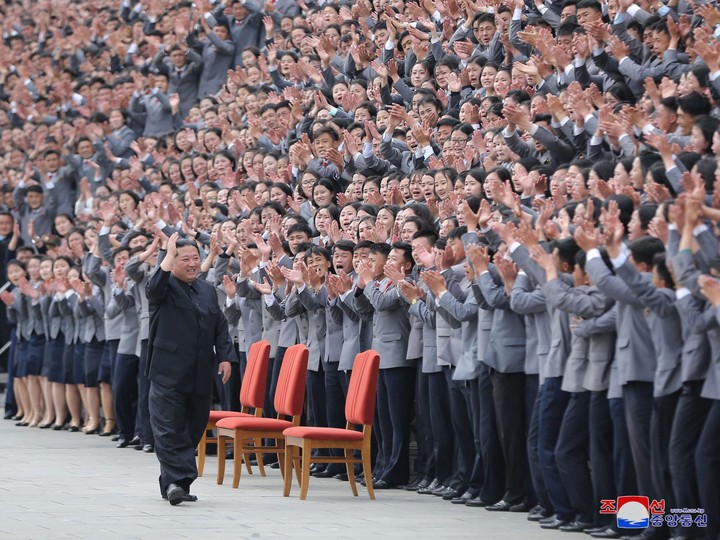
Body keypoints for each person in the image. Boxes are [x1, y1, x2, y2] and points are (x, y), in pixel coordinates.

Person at [145, 233, 234, 505]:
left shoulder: (207, 289)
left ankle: (177, 483)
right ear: (173, 262)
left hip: (199, 374)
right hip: (167, 373)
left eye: (196, 258)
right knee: (168, 428)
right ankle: (175, 482)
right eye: (185, 259)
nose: (193, 264)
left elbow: (220, 325)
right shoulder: (164, 285)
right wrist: (167, 255)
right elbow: (153, 289)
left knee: (192, 429)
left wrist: (226, 356)